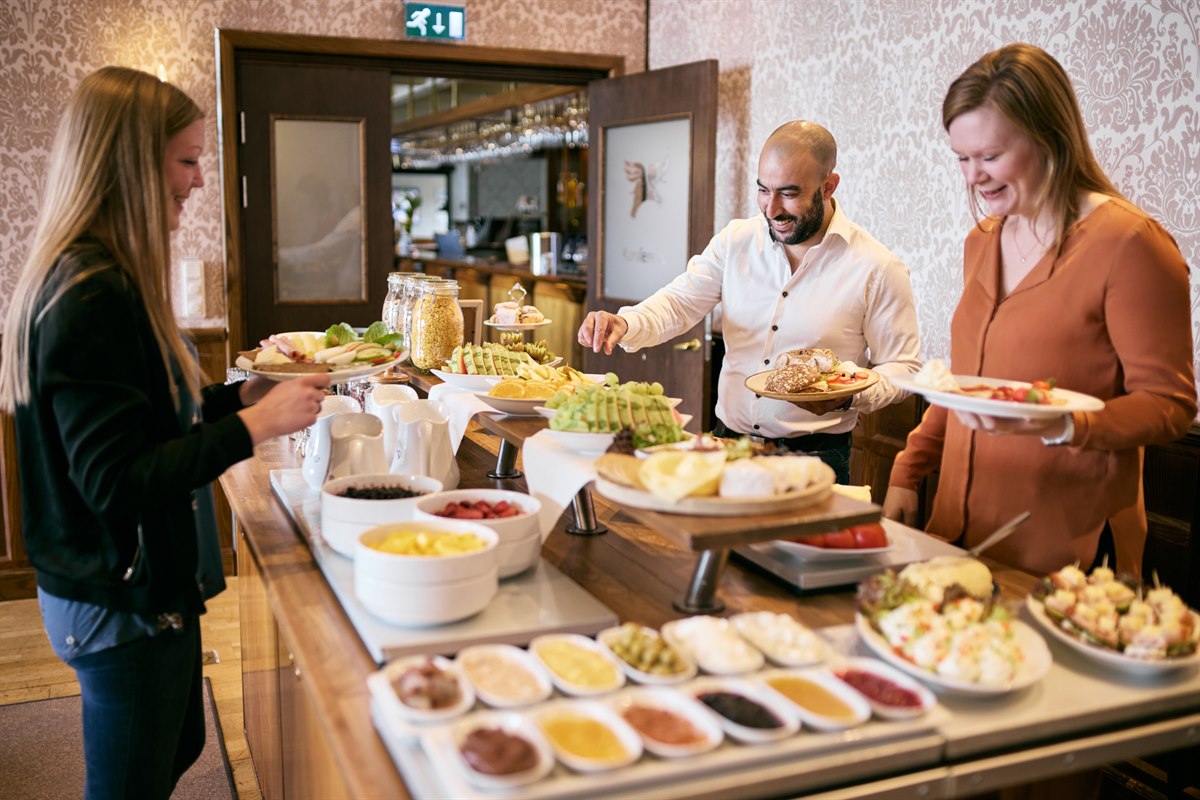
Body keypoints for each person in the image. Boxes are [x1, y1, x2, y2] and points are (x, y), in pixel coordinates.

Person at [0, 66, 329, 799]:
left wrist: (241, 393)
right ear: (131, 166)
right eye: (185, 161)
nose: (199, 181)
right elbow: (116, 481)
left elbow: (146, 419)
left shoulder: (101, 276)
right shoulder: (92, 296)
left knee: (177, 743)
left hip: (129, 587)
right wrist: (253, 425)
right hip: (119, 596)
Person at [884, 44, 1196, 578]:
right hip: (956, 532)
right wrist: (908, 469)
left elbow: (1171, 405)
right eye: (962, 157)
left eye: (989, 156)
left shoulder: (1129, 244)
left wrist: (1066, 426)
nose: (972, 176)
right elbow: (965, 382)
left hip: (1065, 548)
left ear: (1050, 139)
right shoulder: (981, 241)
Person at [578, 120, 922, 483]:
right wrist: (626, 323)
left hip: (816, 458)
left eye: (789, 194)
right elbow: (680, 303)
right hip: (726, 446)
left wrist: (848, 395)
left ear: (829, 186)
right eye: (763, 190)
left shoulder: (877, 267)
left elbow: (904, 367)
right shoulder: (736, 240)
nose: (771, 209)